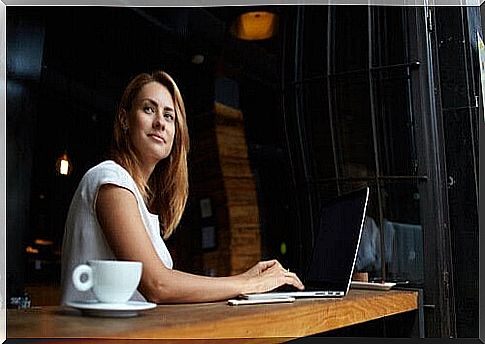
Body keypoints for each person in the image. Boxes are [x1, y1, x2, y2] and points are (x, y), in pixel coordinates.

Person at [60, 70, 304, 304]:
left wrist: (247, 281)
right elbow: (158, 285)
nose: (160, 123)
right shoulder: (110, 178)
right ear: (125, 119)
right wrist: (247, 283)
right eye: (148, 109)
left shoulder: (136, 198)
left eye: (169, 116)